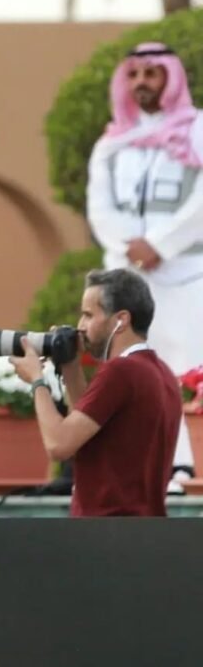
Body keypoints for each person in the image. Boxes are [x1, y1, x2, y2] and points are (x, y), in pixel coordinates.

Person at [86, 41, 203, 490]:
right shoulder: (112, 142)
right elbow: (100, 208)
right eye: (134, 75)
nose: (141, 84)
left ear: (170, 78)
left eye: (151, 74)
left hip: (186, 276)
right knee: (129, 373)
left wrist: (160, 244)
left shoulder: (196, 131)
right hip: (127, 278)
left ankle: (183, 467)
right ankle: (135, 466)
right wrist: (131, 248)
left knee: (185, 369)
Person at [9, 268, 182, 517]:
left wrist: (37, 380)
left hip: (104, 533)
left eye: (89, 315)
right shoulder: (160, 372)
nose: (80, 326)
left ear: (121, 320)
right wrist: (70, 365)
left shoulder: (121, 371)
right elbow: (86, 434)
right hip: (144, 531)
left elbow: (59, 445)